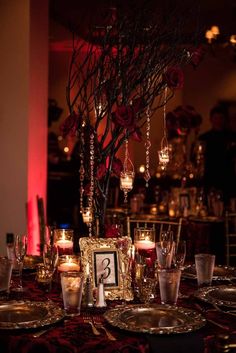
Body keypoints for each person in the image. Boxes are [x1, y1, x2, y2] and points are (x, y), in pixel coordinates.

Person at [198, 105, 236, 207]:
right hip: (209, 178)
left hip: (228, 179)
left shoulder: (233, 137)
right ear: (211, 119)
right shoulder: (204, 138)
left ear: (225, 119)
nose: (218, 121)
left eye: (221, 118)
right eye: (216, 118)